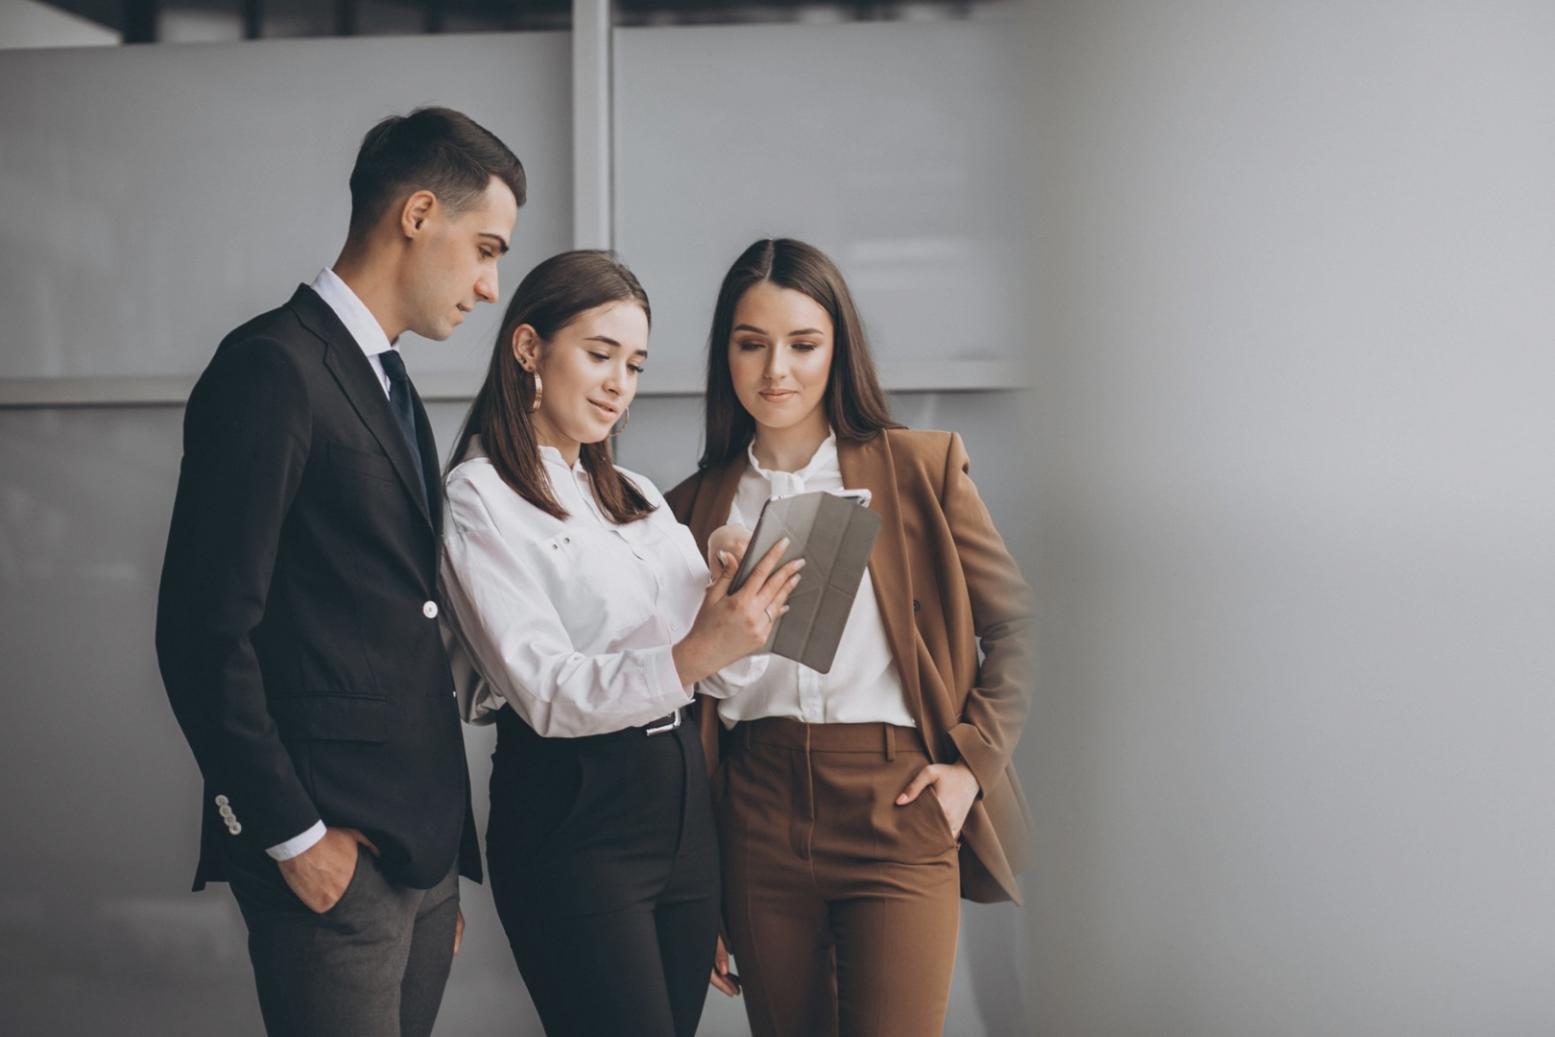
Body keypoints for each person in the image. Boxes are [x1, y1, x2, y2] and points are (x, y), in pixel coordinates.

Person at [155, 107, 523, 1037]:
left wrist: (438, 864)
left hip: (417, 860)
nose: (489, 286)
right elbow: (202, 632)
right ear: (417, 213)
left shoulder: (391, 382)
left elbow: (397, 613)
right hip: (327, 858)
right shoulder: (272, 367)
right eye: (484, 248)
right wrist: (292, 837)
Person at [664, 237, 1035, 1037]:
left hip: (896, 800)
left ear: (839, 349)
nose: (776, 371)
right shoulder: (690, 509)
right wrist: (700, 874)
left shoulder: (918, 469)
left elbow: (1018, 627)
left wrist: (968, 767)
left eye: (803, 343)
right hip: (754, 811)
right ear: (723, 353)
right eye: (750, 343)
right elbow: (681, 687)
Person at [437, 250, 804, 1037]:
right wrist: (701, 646)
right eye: (599, 355)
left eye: (633, 364)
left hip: (679, 805)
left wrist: (728, 584)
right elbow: (546, 690)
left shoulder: (631, 491)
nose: (618, 384)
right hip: (576, 810)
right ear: (528, 349)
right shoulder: (479, 496)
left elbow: (708, 663)